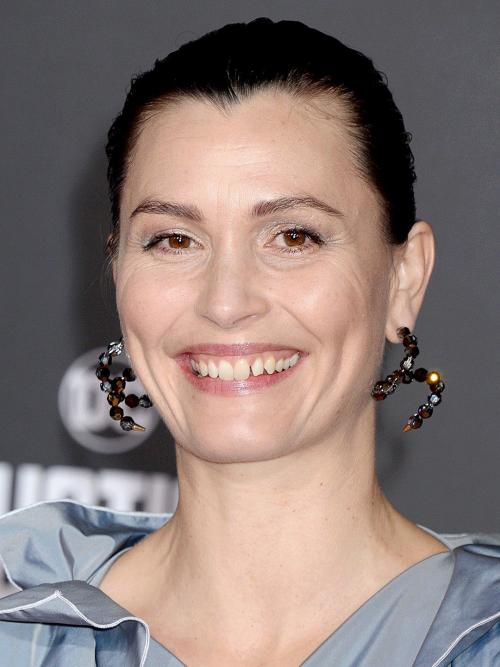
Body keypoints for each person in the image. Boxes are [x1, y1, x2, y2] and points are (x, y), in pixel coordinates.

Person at [0, 17, 499, 667]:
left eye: (293, 237)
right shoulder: (21, 612)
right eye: (174, 239)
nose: (226, 302)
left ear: (405, 278)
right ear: (119, 270)